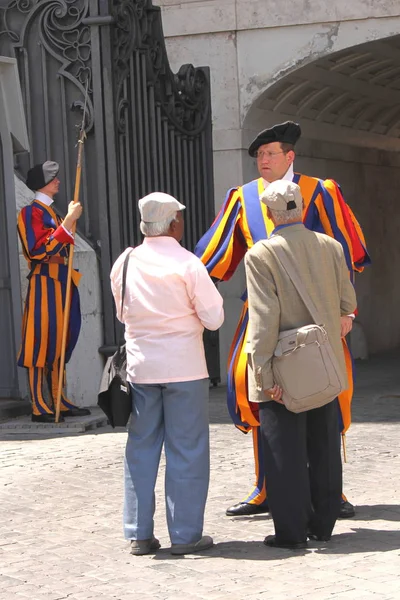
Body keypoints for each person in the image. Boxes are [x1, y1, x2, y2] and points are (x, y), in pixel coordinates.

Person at [195, 121, 370, 519]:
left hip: (319, 318)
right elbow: (213, 257)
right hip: (265, 315)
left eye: (270, 153)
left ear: (290, 156)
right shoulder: (241, 197)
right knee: (254, 388)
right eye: (258, 155)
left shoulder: (320, 191)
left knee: (328, 393)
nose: (263, 161)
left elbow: (346, 253)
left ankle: (330, 491)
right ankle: (267, 486)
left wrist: (348, 312)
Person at [110, 192, 224, 556]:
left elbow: (122, 314)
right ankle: (186, 534)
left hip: (142, 368)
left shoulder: (124, 262)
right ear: (174, 223)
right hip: (185, 367)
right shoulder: (189, 264)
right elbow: (214, 318)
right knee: (187, 449)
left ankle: (138, 533)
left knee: (140, 449)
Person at [245, 180, 357, 549]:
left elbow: (264, 318)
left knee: (285, 451)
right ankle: (324, 525)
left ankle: (291, 532)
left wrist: (261, 373)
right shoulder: (331, 246)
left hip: (284, 369)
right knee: (324, 444)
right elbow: (347, 303)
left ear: (271, 214)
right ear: (302, 206)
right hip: (324, 364)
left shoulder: (261, 255)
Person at [17, 161, 91, 422]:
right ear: (42, 183)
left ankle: (59, 398)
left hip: (63, 280)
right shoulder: (30, 213)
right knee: (39, 342)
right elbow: (37, 250)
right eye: (53, 178)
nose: (58, 181)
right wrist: (69, 221)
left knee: (62, 340)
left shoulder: (54, 212)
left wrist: (66, 222)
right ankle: (39, 404)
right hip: (45, 281)